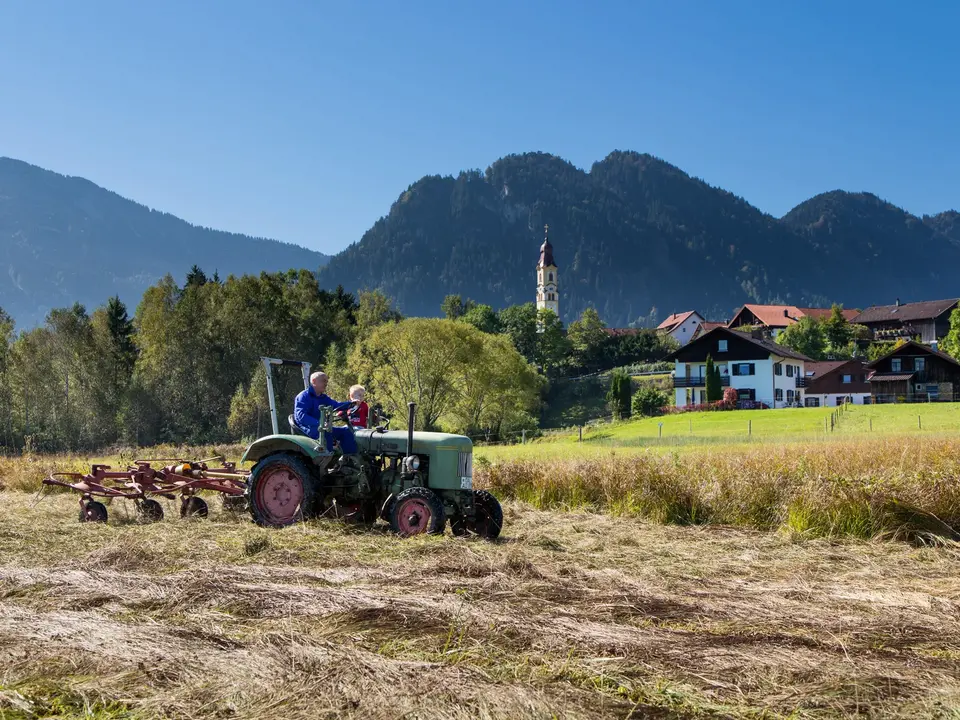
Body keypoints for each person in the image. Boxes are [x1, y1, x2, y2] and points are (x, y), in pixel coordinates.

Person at [293, 371, 360, 459]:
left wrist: (351, 404)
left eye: (326, 382)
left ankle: (349, 459)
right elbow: (301, 417)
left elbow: (336, 405)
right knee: (326, 432)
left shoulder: (323, 397)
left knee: (347, 431)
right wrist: (319, 423)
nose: (326, 384)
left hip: (321, 428)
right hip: (307, 429)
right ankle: (328, 460)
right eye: (323, 381)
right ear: (314, 381)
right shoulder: (303, 397)